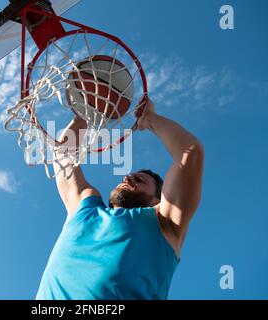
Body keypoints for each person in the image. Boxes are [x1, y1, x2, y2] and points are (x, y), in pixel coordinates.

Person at [36, 98, 205, 300]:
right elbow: (63, 154)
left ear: (157, 199)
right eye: (128, 176)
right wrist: (88, 113)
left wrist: (149, 119)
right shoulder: (85, 207)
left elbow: (190, 154)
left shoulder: (164, 223)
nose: (127, 177)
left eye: (139, 179)